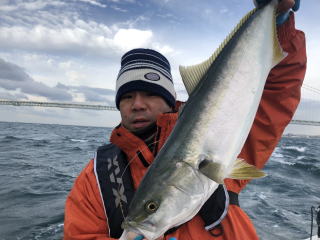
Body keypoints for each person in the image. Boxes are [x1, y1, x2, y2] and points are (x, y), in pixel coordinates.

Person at [63, 0, 306, 239]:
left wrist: (278, 24)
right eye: (127, 96)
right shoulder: (96, 179)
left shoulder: (231, 142)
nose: (137, 104)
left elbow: (277, 94)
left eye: (150, 94)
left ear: (170, 100)